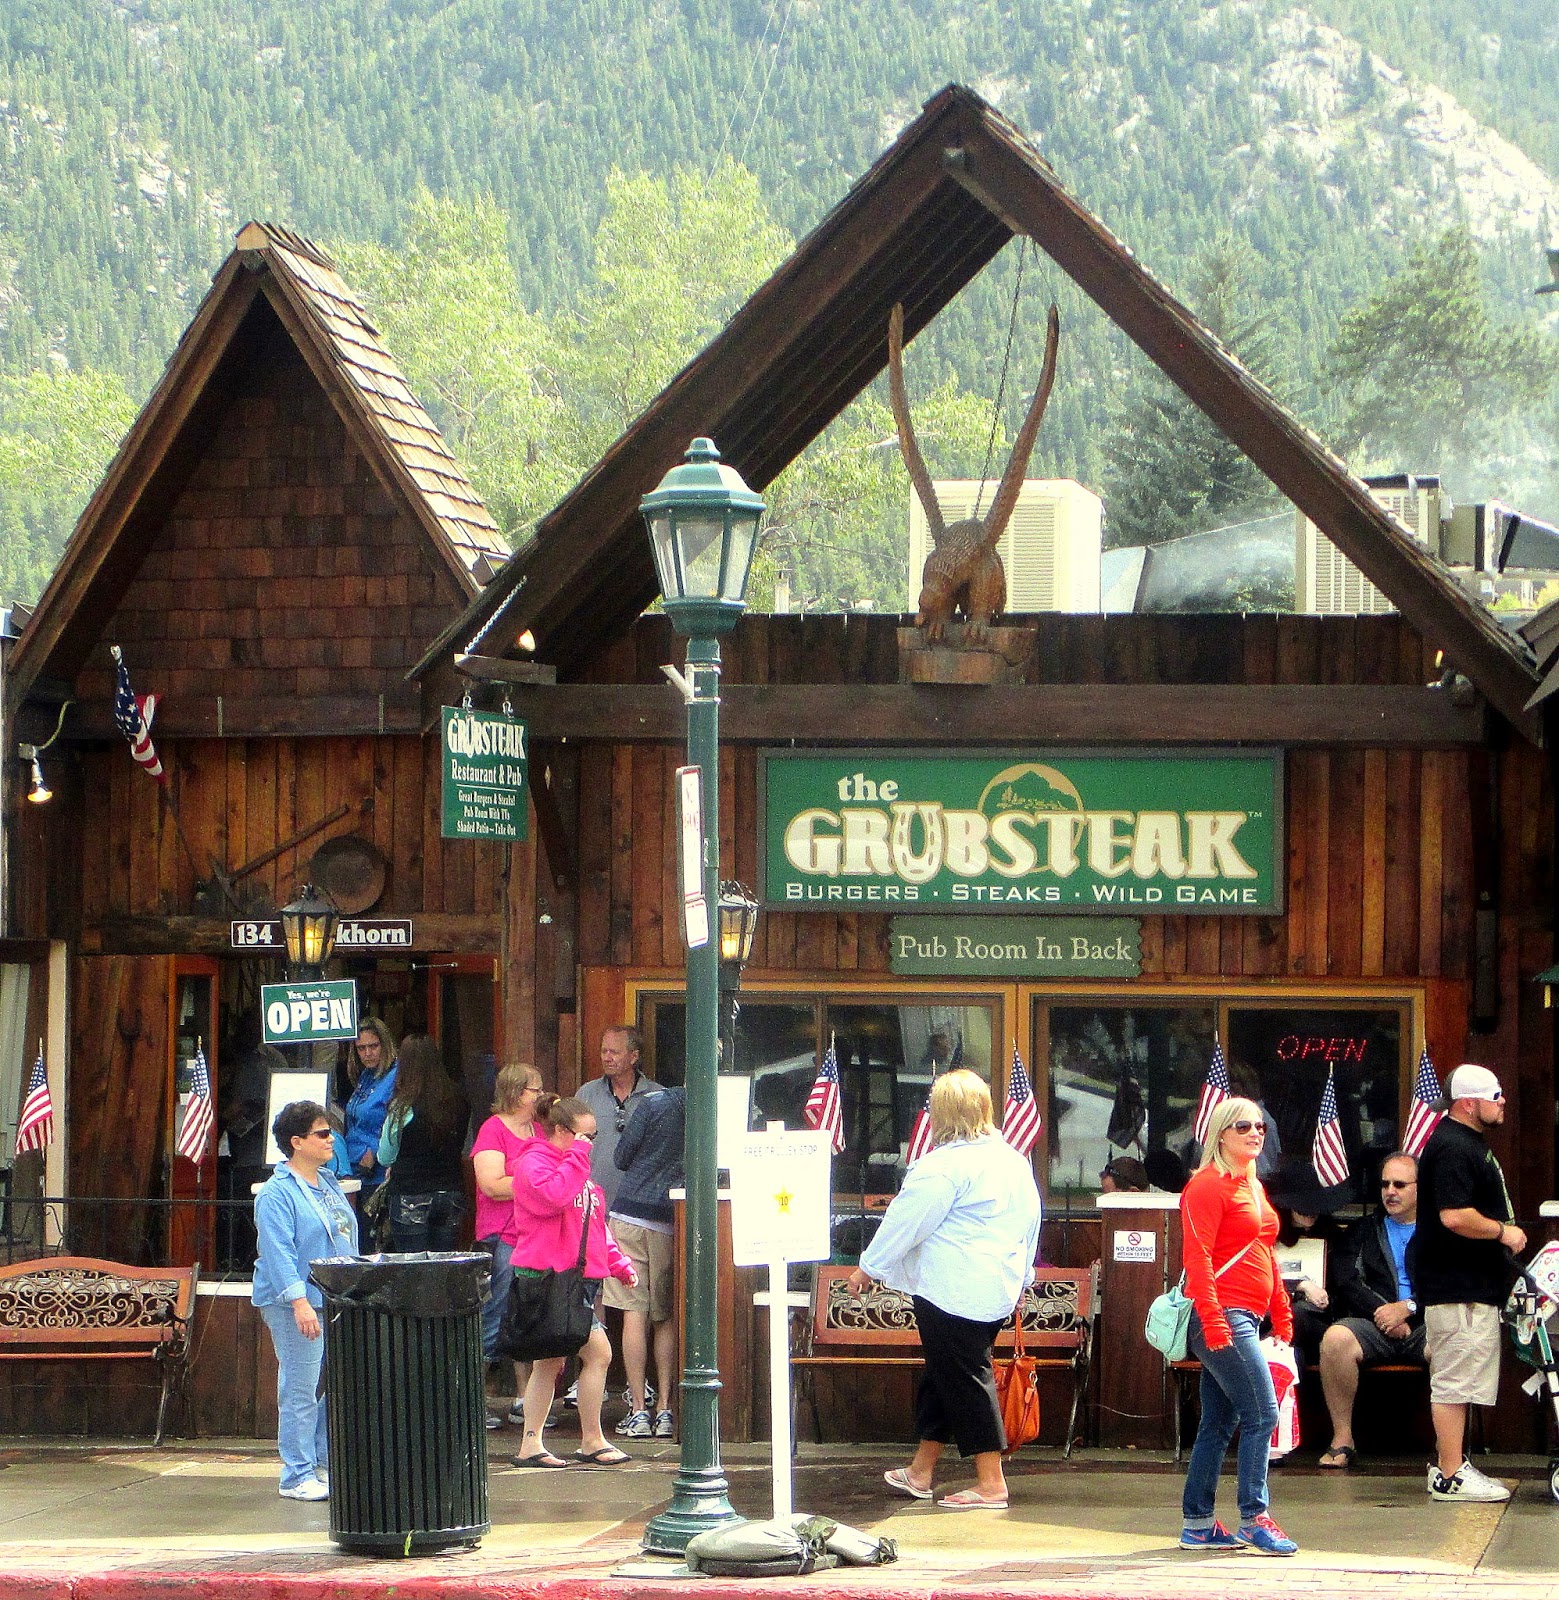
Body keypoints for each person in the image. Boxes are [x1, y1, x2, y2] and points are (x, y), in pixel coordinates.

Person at [848, 1068, 1041, 1510]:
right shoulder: (1012, 1159)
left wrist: (868, 1269)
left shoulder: (944, 1166)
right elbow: (1032, 1222)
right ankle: (921, 1471)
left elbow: (905, 1222)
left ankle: (991, 1483)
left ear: (941, 1112)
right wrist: (1025, 1276)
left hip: (950, 1289)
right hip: (996, 1288)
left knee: (967, 1381)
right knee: (945, 1375)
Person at [1177, 1096, 1297, 1556]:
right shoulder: (1206, 1186)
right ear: (1221, 1134)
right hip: (1222, 1314)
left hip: (1242, 1314)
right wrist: (1213, 1320)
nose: (1255, 1132)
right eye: (1244, 1125)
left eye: (1261, 1126)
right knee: (1263, 1413)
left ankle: (1199, 1525)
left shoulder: (1251, 1184)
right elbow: (1198, 1257)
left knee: (1219, 1423)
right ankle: (1254, 1517)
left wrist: (1281, 1308)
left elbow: (1265, 1247)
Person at [1413, 1063, 1523, 1503]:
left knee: (1463, 1378)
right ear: (1469, 1103)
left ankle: (1455, 1463)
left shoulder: (1466, 1144)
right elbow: (1454, 1216)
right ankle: (1450, 1474)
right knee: (1455, 1382)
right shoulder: (1453, 1146)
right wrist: (1502, 1231)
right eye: (1495, 1096)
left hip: (1472, 1286)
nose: (1502, 1103)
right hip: (1456, 1286)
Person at [509, 1094, 638, 1469]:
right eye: (586, 1136)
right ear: (562, 1131)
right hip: (547, 1279)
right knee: (594, 1354)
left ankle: (536, 1445)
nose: (591, 1145)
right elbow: (554, 1197)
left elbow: (594, 1225)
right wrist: (577, 1158)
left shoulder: (574, 1167)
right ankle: (587, 1439)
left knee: (551, 1362)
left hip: (575, 1281)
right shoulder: (534, 1165)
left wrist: (617, 1263)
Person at [251, 1100, 359, 1501]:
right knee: (300, 1386)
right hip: (296, 1301)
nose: (331, 1139)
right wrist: (298, 1303)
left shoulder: (329, 1182)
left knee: (337, 1381)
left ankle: (320, 1461)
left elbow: (346, 1237)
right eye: (322, 1133)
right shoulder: (275, 1194)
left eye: (330, 1131)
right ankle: (295, 1473)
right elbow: (277, 1252)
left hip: (333, 1297)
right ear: (297, 1142)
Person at [1318, 1151, 1425, 1468]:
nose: (1390, 1191)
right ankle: (1342, 1439)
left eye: (1400, 1184)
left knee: (1454, 1339)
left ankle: (1448, 1448)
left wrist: (1407, 1308)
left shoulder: (1439, 1230)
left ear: (1420, 1187)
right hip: (1375, 1326)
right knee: (1336, 1338)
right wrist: (1386, 1315)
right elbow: (1347, 1281)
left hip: (1425, 1325)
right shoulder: (1365, 1230)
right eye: (1385, 1184)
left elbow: (1448, 1282)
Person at [608, 1083, 686, 1440]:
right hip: (673, 1218)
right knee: (665, 1315)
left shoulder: (652, 1105)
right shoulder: (711, 1107)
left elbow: (622, 1158)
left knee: (633, 1314)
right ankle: (666, 1407)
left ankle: (638, 1409)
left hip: (630, 1214)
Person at [471, 1062, 544, 1427]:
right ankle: (473, 1397)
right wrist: (537, 1180)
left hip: (536, 1234)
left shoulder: (540, 1129)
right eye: (535, 1090)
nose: (541, 1095)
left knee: (527, 1316)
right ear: (516, 1093)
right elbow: (490, 1184)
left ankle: (524, 1399)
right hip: (503, 1236)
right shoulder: (492, 1130)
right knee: (495, 1312)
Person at [376, 1033, 469, 1252]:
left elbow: (385, 1156)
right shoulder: (459, 1100)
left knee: (413, 1268)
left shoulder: (402, 1107)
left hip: (411, 1192)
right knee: (443, 1268)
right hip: (451, 1191)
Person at [1268, 1163, 1348, 1370]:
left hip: (1318, 1319)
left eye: (1315, 1208)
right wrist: (1300, 1285)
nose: (1310, 1213)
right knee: (1294, 1350)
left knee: (1298, 1316)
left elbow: (1344, 1285)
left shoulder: (1336, 1239)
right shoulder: (1268, 1237)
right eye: (1303, 1207)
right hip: (1274, 1316)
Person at [576, 1026, 658, 1214]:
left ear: (634, 1056)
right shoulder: (586, 1094)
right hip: (591, 1207)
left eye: (614, 1052)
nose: (607, 1057)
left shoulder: (656, 1097)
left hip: (638, 1212)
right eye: (604, 1051)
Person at [342, 1018, 397, 1192]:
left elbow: (400, 1120)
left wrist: (373, 1151)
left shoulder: (397, 1075)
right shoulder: (366, 1074)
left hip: (378, 1172)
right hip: (356, 1168)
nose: (367, 1053)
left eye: (374, 1046)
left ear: (385, 1045)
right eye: (361, 1048)